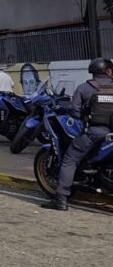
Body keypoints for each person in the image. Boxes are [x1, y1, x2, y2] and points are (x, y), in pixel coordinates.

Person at [42, 58, 113, 211]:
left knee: (69, 159)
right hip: (110, 134)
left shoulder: (84, 88)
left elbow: (75, 112)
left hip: (94, 132)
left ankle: (61, 199)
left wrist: (84, 114)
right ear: (108, 71)